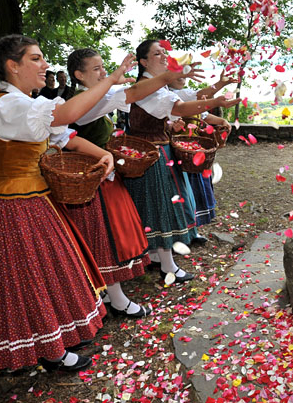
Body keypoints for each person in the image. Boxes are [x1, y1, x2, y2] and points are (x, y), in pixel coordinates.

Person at [0, 34, 135, 376]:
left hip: (29, 202)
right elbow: (65, 113)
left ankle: (52, 341)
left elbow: (63, 135)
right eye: (36, 59)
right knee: (24, 280)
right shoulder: (8, 104)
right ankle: (48, 349)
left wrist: (104, 153)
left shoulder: (22, 104)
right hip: (9, 208)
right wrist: (111, 76)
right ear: (12, 65)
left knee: (42, 275)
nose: (45, 65)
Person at [65, 48, 202, 317]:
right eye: (96, 69)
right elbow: (132, 94)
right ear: (79, 75)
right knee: (107, 236)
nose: (103, 73)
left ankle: (111, 295)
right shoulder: (82, 101)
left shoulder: (93, 97)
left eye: (103, 67)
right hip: (94, 179)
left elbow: (133, 94)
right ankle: (115, 297)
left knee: (109, 235)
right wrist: (167, 76)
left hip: (103, 174)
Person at [124, 39, 239, 284]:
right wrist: (215, 103)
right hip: (152, 155)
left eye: (165, 52)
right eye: (157, 53)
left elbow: (185, 100)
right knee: (161, 205)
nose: (164, 56)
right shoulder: (147, 87)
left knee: (155, 205)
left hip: (153, 151)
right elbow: (182, 106)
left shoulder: (154, 87)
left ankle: (156, 256)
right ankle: (168, 266)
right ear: (143, 61)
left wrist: (217, 88)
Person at [168, 74, 234, 227]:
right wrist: (220, 83)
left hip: (194, 153)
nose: (181, 76)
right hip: (180, 153)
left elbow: (205, 116)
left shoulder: (185, 92)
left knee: (197, 189)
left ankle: (194, 228)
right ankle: (187, 228)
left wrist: (222, 121)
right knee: (185, 191)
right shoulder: (172, 96)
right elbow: (198, 96)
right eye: (177, 73)